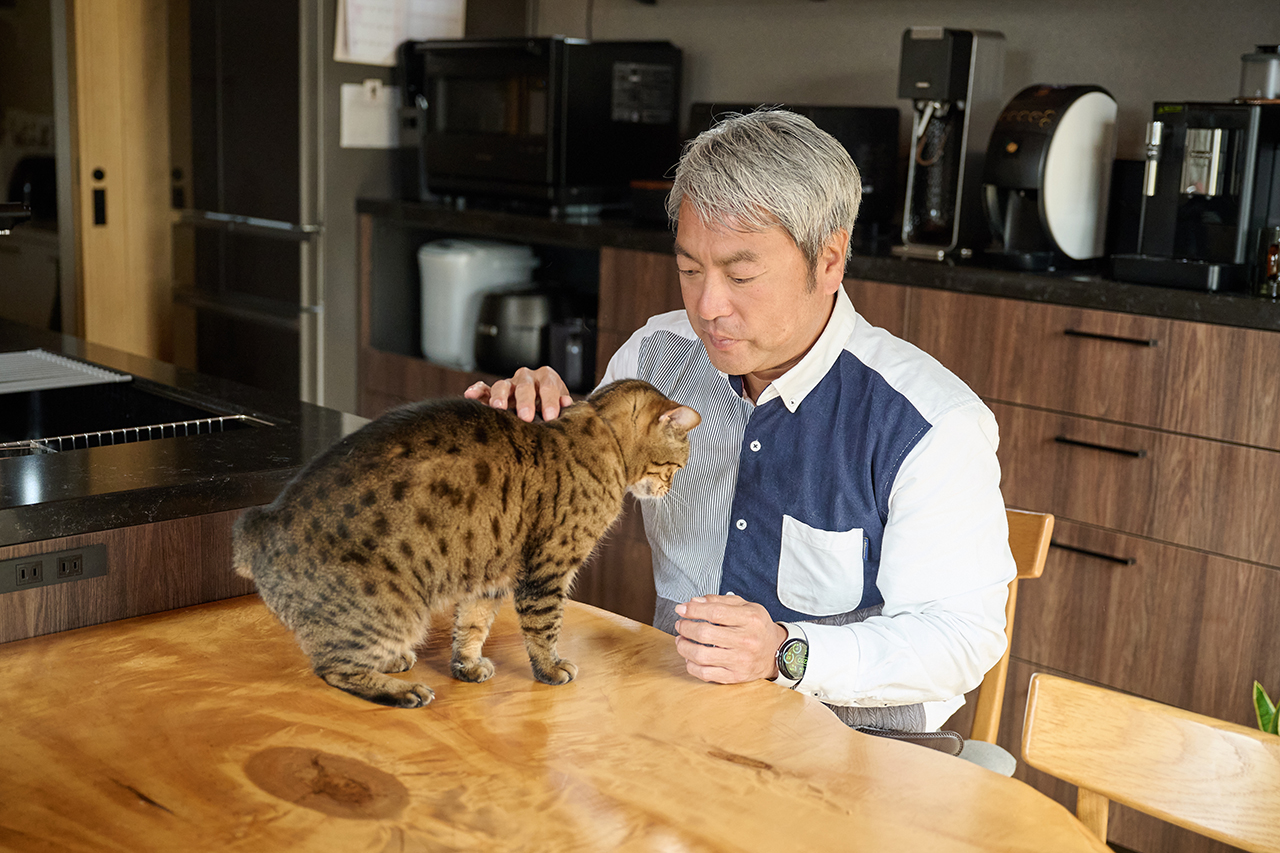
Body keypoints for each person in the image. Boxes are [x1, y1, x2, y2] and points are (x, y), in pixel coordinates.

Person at [465, 108, 1015, 734]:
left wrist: (784, 651)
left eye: (741, 274)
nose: (707, 307)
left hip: (855, 746)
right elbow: (553, 505)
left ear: (829, 260)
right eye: (690, 270)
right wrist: (513, 445)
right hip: (678, 718)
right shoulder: (655, 363)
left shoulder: (929, 423)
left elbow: (960, 639)